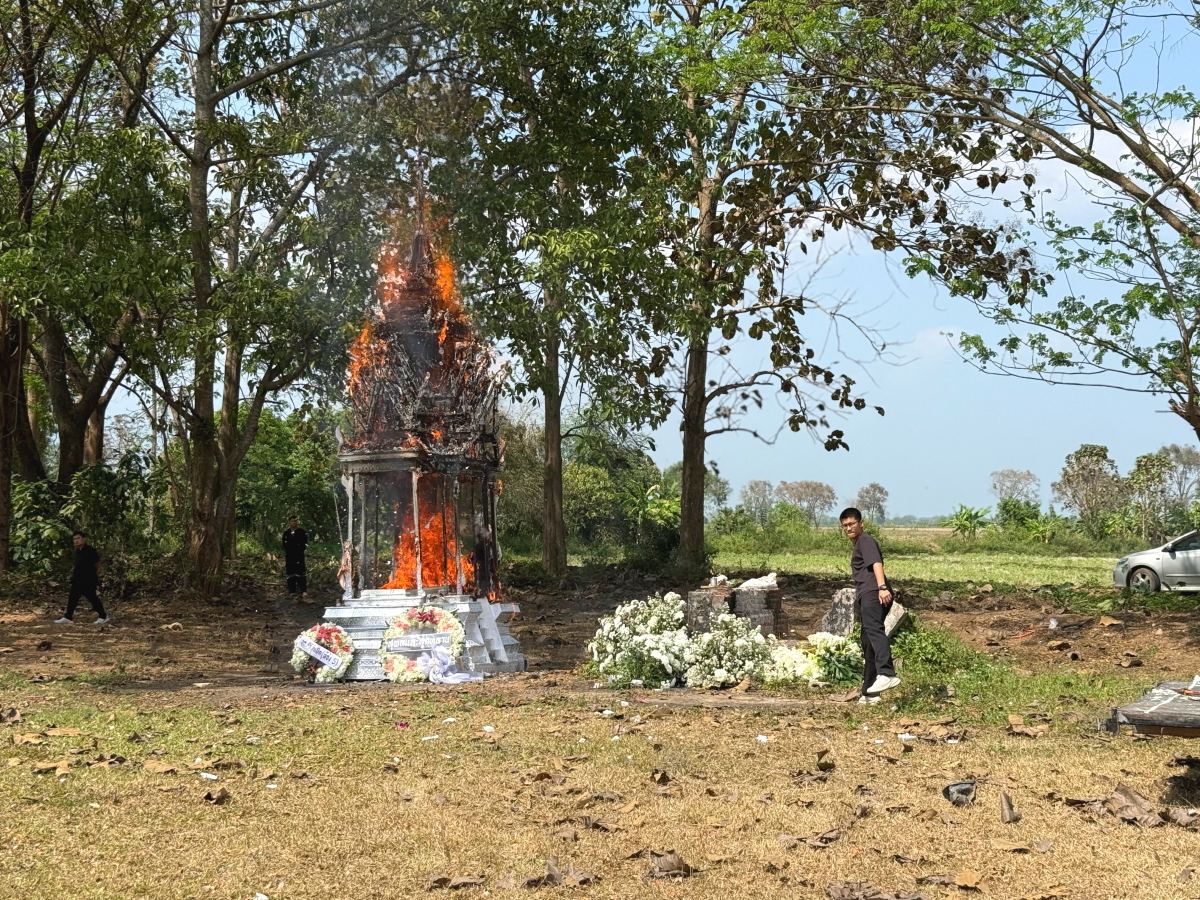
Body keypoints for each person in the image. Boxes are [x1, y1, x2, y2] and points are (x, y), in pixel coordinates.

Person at [839, 507, 899, 704]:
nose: (849, 528)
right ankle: (870, 691)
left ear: (861, 523)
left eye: (852, 524)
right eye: (845, 525)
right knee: (867, 640)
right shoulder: (859, 543)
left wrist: (882, 587)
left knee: (874, 630)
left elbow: (876, 563)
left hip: (874, 592)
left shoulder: (865, 540)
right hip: (867, 594)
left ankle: (886, 673)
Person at [55, 531, 108, 625]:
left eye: (78, 538)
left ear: (84, 539)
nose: (76, 541)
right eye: (74, 539)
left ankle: (103, 616)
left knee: (93, 598)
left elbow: (97, 564)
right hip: (77, 579)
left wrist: (90, 574)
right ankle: (68, 617)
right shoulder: (77, 552)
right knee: (72, 598)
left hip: (88, 579)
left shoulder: (90, 550)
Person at [282, 516, 309, 602]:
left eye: (295, 521)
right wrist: (289, 550)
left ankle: (303, 590)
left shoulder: (302, 532)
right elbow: (284, 544)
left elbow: (305, 543)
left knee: (301, 572)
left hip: (299, 555)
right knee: (290, 572)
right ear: (289, 523)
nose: (294, 523)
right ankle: (292, 590)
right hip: (289, 555)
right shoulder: (286, 533)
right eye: (292, 521)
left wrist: (300, 550)